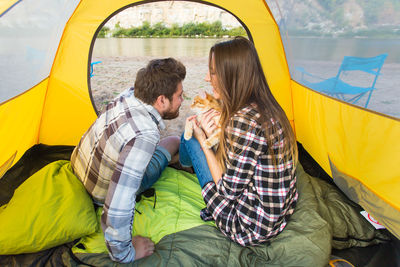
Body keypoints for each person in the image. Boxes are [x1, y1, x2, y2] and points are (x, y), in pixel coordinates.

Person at [179, 36, 298, 246]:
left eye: (213, 72)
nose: (207, 78)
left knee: (189, 137)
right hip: (277, 214)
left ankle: (184, 165)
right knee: (198, 134)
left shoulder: (243, 122)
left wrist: (203, 140)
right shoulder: (267, 107)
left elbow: (226, 190)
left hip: (248, 225)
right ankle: (186, 161)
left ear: (232, 75)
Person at [71, 58, 186, 263]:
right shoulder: (144, 134)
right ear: (161, 100)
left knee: (164, 146)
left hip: (82, 172)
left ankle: (165, 160)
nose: (182, 101)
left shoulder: (128, 95)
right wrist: (125, 253)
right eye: (179, 96)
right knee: (174, 141)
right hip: (99, 193)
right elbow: (119, 202)